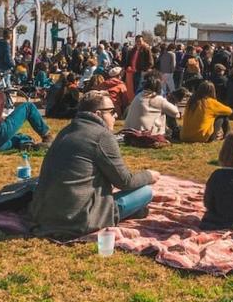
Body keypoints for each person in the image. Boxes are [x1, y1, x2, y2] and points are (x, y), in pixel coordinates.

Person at [30, 91, 160, 239]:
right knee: (146, 192)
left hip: (45, 215)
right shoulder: (102, 136)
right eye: (111, 111)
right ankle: (132, 211)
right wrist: (149, 175)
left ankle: (136, 211)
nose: (115, 116)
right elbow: (125, 181)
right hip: (80, 219)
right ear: (98, 114)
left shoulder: (66, 131)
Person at [124, 70, 180, 137]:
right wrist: (171, 101)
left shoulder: (138, 96)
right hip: (146, 135)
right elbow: (176, 114)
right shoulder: (158, 99)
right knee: (164, 111)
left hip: (129, 134)